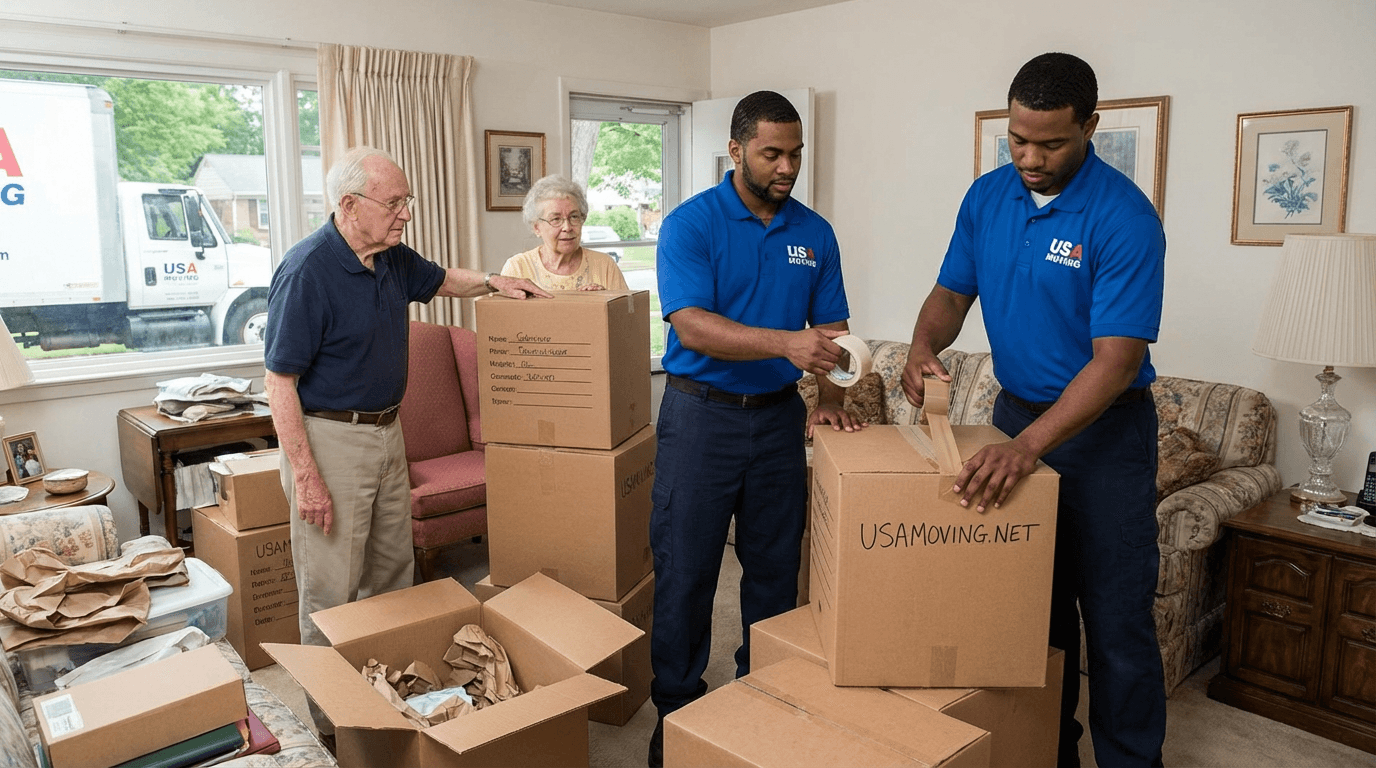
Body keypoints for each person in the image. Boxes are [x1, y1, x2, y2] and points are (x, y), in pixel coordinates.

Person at [902, 53, 1167, 767]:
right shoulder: (988, 197)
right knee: (1032, 617)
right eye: (1018, 139)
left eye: (1050, 143)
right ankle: (1049, 754)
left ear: (1091, 127)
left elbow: (1115, 363)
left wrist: (1027, 450)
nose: (1030, 157)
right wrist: (923, 344)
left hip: (1105, 436)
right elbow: (952, 294)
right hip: (1016, 414)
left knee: (1116, 625)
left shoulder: (1124, 218)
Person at [263, 146, 550, 749]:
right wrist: (307, 477)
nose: (405, 215)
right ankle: (332, 728)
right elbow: (279, 382)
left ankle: (386, 701)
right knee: (331, 591)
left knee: (393, 578)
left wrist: (496, 282)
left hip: (389, 435)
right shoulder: (306, 270)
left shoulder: (390, 257)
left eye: (406, 201)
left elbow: (443, 279)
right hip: (329, 439)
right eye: (394, 203)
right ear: (349, 206)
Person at [647, 90, 862, 767]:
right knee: (686, 575)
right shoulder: (692, 225)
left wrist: (828, 390)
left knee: (773, 575)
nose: (787, 166)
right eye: (772, 153)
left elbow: (830, 331)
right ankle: (677, 714)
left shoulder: (815, 233)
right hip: (699, 420)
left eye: (795, 153)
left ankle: (759, 700)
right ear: (736, 150)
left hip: (777, 425)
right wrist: (784, 345)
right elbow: (690, 323)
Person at [500, 175, 629, 291]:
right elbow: (504, 317)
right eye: (556, 219)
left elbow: (628, 314)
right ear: (537, 228)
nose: (567, 227)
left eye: (574, 217)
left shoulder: (605, 265)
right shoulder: (517, 268)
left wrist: (604, 302)